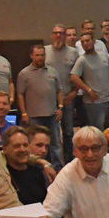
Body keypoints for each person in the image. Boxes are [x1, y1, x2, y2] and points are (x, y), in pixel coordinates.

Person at [17, 44, 64, 168]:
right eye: (37, 55)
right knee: (36, 144)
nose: (40, 58)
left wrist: (60, 107)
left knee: (55, 144)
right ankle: (37, 166)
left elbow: (59, 90)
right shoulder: (24, 74)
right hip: (34, 116)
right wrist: (24, 113)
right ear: (31, 56)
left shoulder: (53, 71)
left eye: (42, 55)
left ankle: (58, 168)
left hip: (52, 115)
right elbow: (20, 95)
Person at [46, 24, 79, 166]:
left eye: (61, 33)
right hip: (47, 99)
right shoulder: (45, 51)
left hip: (67, 98)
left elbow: (79, 75)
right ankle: (50, 161)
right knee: (50, 133)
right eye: (55, 33)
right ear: (51, 35)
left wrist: (74, 93)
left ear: (65, 35)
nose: (58, 35)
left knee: (67, 132)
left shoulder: (73, 52)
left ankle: (70, 161)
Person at [71, 33, 109, 130]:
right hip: (94, 103)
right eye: (82, 42)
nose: (85, 43)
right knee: (98, 131)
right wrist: (88, 90)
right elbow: (73, 77)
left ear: (93, 41)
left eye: (87, 40)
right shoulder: (82, 60)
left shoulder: (105, 56)